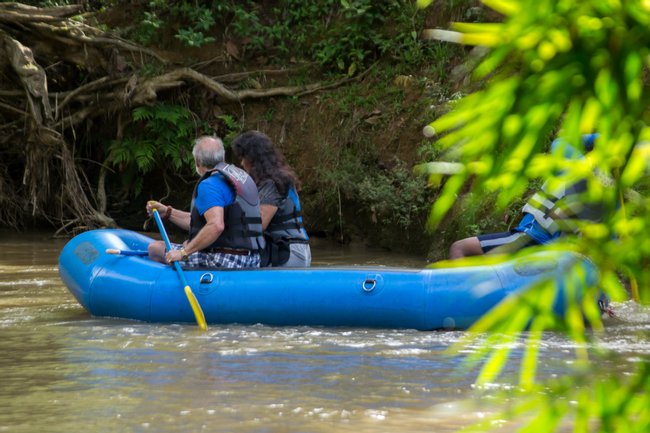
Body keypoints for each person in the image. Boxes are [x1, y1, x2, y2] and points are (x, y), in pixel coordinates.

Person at [449, 134, 603, 259]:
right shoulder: (604, 200)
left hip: (531, 238)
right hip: (550, 247)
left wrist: (594, 138)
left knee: (459, 248)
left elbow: (560, 143)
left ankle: (456, 296)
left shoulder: (575, 170)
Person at [146, 135, 265, 268]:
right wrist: (168, 212)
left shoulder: (209, 185)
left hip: (225, 260)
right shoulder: (238, 178)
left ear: (197, 162)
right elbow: (203, 221)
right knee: (187, 243)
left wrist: (184, 252)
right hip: (251, 259)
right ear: (222, 158)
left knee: (155, 248)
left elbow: (215, 225)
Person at [231, 130, 311, 267]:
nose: (242, 163)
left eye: (243, 157)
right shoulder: (278, 178)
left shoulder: (272, 183)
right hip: (294, 249)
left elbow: (259, 224)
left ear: (253, 158)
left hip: (288, 251)